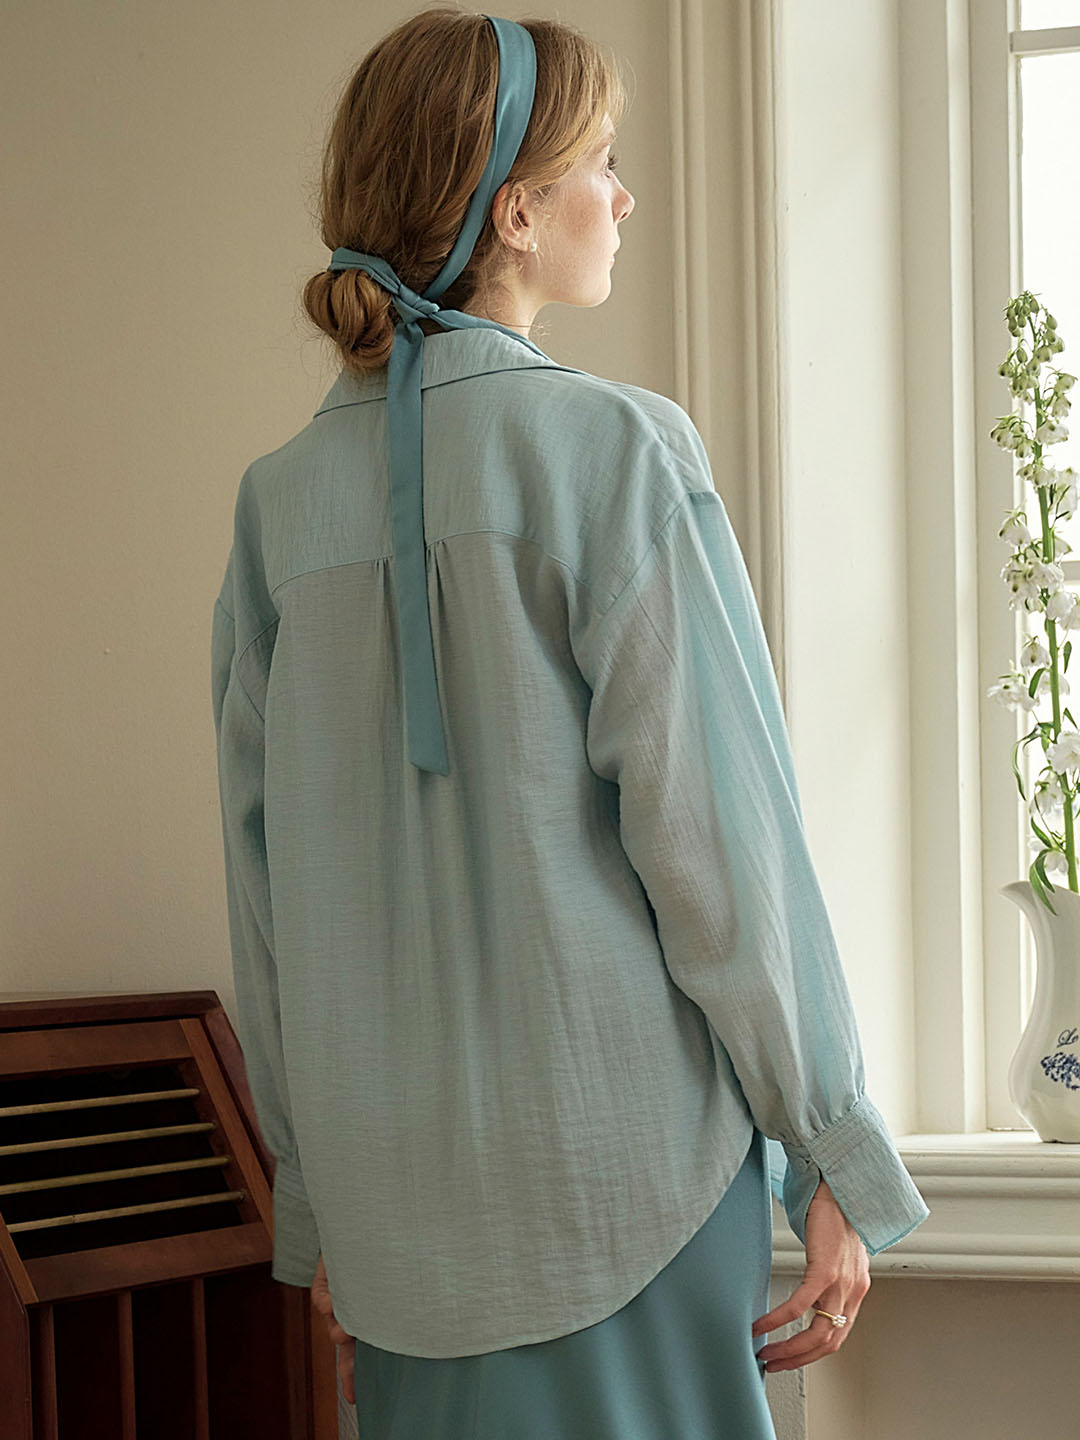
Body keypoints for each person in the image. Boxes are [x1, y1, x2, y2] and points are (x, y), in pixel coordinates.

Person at [210, 7, 930, 1437]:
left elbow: (265, 897)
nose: (627, 195)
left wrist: (323, 1202)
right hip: (630, 1201)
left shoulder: (276, 506)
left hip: (398, 1230)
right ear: (518, 211)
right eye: (602, 161)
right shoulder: (617, 450)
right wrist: (831, 1145)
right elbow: (722, 847)